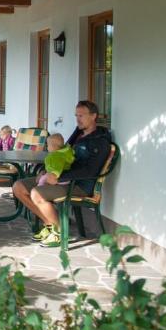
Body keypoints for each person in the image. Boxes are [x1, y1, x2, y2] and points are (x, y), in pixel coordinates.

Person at [13, 101, 112, 248]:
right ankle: (49, 224)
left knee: (37, 193)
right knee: (18, 187)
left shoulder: (99, 141)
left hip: (79, 185)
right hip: (61, 179)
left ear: (93, 116)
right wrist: (47, 172)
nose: (78, 119)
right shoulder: (78, 133)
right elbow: (62, 154)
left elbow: (91, 171)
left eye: (81, 115)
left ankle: (58, 232)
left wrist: (60, 177)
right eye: (76, 115)